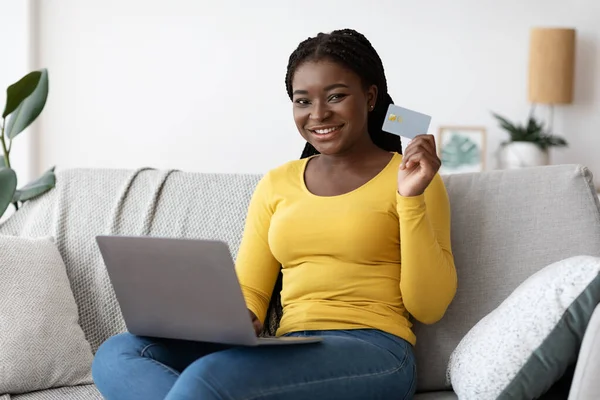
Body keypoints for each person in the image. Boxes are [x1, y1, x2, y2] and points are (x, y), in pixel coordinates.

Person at [92, 28, 457, 400]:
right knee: (117, 353)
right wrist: (232, 319)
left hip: (377, 351)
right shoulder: (277, 182)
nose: (318, 114)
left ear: (370, 96)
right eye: (303, 101)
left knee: (210, 377)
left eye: (336, 96)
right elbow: (251, 290)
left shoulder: (411, 178)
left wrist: (410, 199)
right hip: (290, 347)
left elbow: (428, 306)